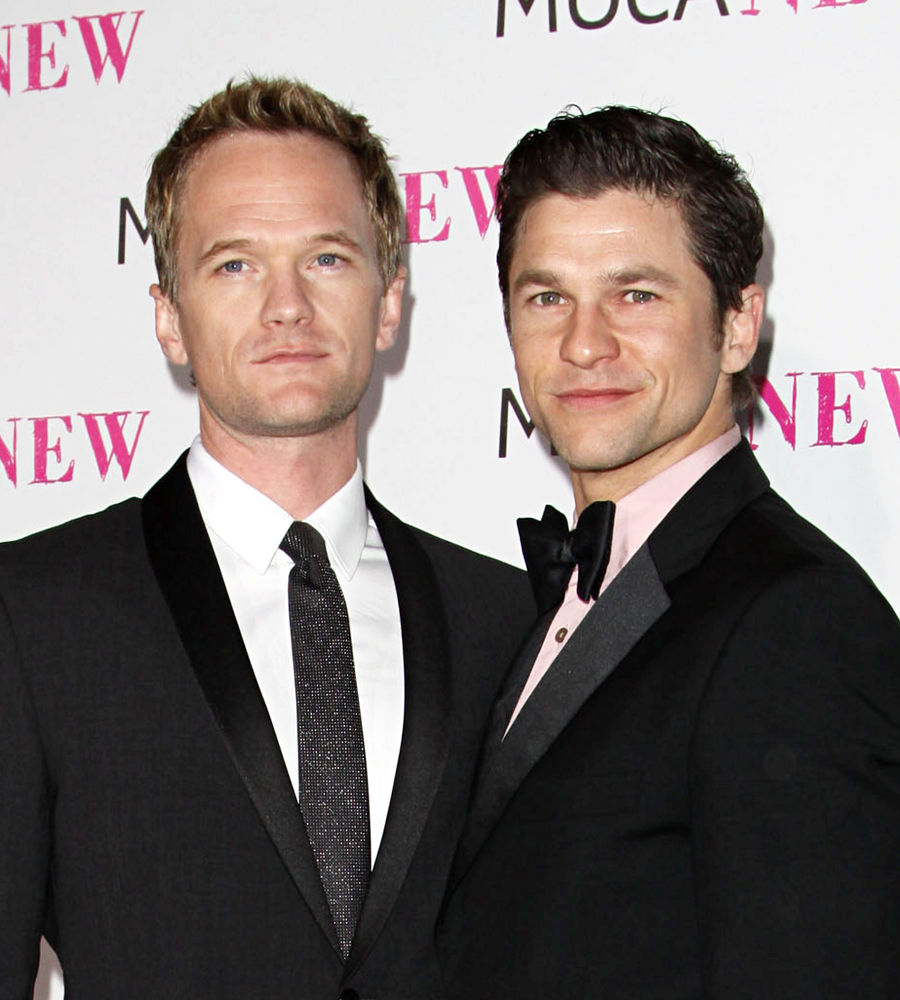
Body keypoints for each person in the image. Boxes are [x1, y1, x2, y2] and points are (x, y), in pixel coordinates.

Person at [0, 76, 533, 1000]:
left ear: (390, 300)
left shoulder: (504, 618)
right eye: (235, 265)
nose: (286, 305)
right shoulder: (34, 612)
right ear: (169, 317)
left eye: (326, 259)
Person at [439, 106, 900, 999]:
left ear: (737, 325)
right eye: (547, 298)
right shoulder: (538, 610)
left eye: (636, 294)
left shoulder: (795, 624)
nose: (584, 342)